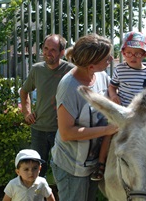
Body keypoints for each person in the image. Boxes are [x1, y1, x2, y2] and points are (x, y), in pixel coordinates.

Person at [90, 31, 146, 181]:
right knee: (109, 133)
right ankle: (101, 164)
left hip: (144, 114)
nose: (133, 56)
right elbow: (112, 87)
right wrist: (113, 95)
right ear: (123, 53)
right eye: (129, 53)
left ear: (144, 54)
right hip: (123, 112)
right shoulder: (120, 70)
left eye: (137, 53)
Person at [50, 34, 118, 201]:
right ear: (91, 66)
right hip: (72, 167)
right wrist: (107, 130)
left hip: (92, 165)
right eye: (106, 57)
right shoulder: (70, 87)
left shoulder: (100, 76)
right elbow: (66, 133)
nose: (111, 59)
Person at [19, 34, 74, 177]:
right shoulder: (37, 70)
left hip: (61, 131)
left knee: (63, 171)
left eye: (53, 50)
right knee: (36, 172)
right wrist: (26, 113)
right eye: (45, 48)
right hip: (39, 129)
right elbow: (24, 92)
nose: (47, 53)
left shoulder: (71, 71)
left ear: (62, 52)